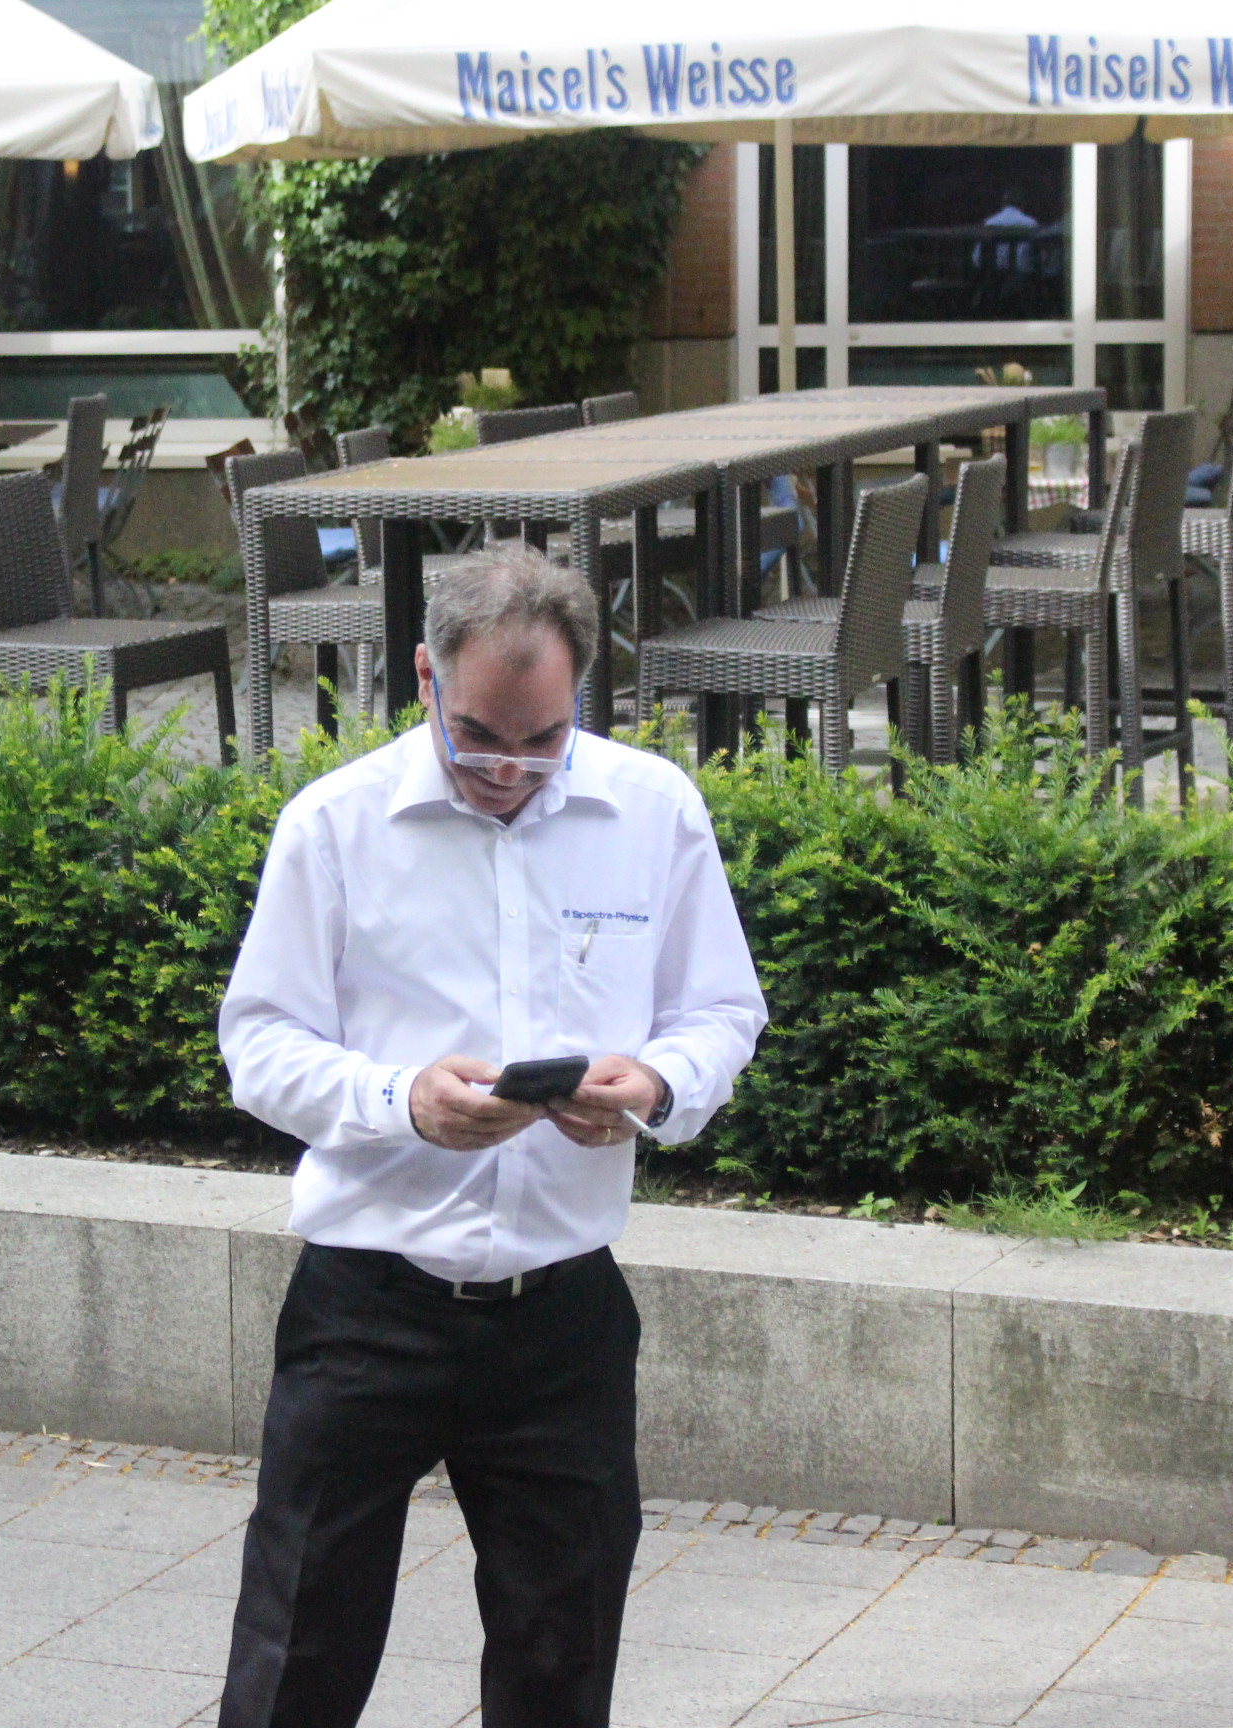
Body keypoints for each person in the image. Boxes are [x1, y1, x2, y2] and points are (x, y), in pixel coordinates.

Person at [216, 544, 767, 1728]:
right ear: (424, 676)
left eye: (542, 739)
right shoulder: (336, 826)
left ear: (582, 696)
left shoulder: (651, 811)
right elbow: (258, 1044)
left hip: (562, 1315)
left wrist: (657, 1083)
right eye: (476, 737)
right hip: (367, 1303)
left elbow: (724, 1010)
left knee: (561, 1661)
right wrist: (402, 1101)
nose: (508, 769)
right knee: (298, 1650)